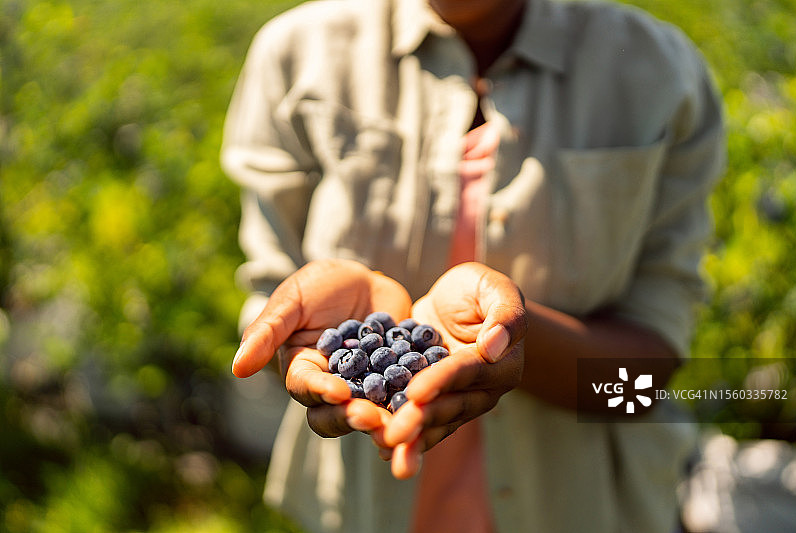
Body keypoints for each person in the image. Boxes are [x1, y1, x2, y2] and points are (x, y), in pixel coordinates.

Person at [220, 0, 727, 531]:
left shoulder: (657, 71)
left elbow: (642, 381)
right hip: (359, 508)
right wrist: (296, 334)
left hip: (582, 508)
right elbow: (272, 305)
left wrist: (509, 339)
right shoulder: (300, 54)